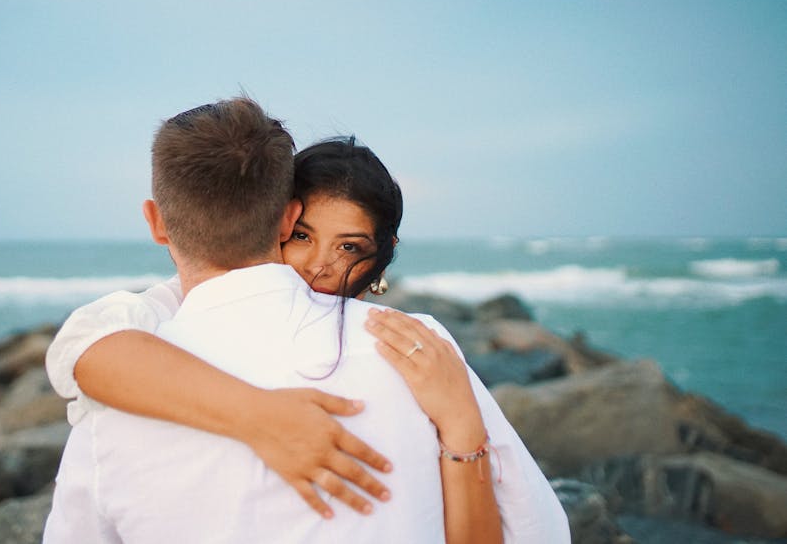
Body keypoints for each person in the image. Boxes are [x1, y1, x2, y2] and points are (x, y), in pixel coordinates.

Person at [44, 104, 568, 542]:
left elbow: (83, 346)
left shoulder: (114, 395)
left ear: (157, 222)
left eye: (349, 247)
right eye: (305, 237)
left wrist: (462, 426)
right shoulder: (415, 348)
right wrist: (257, 415)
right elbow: (537, 530)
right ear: (287, 219)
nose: (319, 266)